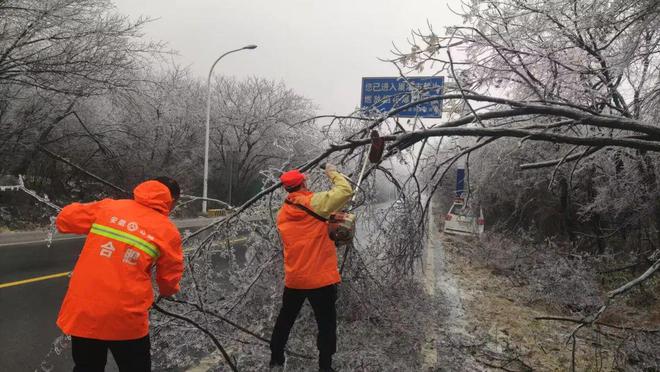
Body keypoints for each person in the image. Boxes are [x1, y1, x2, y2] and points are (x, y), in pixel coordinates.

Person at [55, 176, 184, 372]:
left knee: (87, 367)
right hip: (126, 317)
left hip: (86, 310)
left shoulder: (109, 208)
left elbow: (65, 219)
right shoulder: (168, 231)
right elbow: (169, 279)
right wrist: (168, 291)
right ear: (171, 200)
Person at [270, 164, 352, 372]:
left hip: (295, 278)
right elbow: (345, 191)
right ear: (304, 182)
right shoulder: (314, 203)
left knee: (285, 319)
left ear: (286, 189)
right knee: (326, 325)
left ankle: (276, 358)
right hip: (320, 279)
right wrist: (332, 172)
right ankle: (325, 366)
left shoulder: (282, 214)